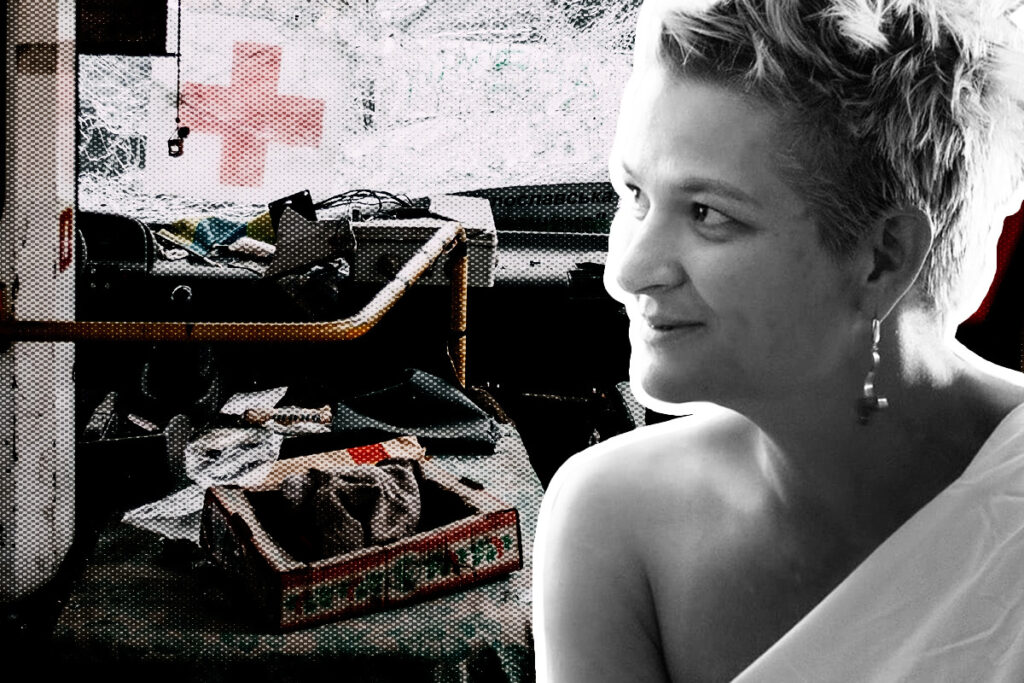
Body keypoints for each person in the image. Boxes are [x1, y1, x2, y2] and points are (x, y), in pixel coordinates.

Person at [532, 0, 1024, 681]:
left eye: (707, 214)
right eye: (634, 194)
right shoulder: (608, 519)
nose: (628, 271)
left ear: (883, 257)